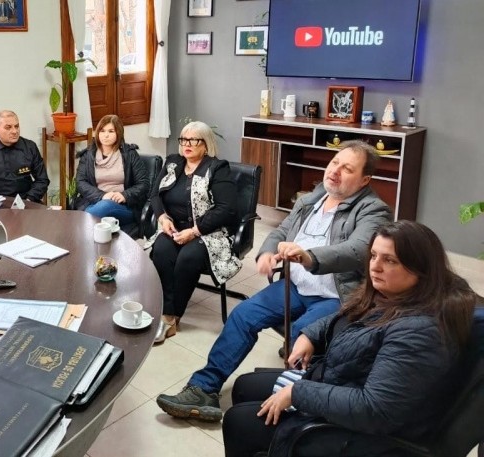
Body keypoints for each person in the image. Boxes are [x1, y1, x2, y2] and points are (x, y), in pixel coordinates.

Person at [157, 140, 393, 420]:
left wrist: (308, 255)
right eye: (334, 163)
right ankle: (203, 388)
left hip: (336, 296)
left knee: (304, 333)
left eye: (347, 169)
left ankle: (296, 406)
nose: (335, 171)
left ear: (365, 179)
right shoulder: (312, 199)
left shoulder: (372, 209)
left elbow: (358, 249)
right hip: (295, 286)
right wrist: (267, 252)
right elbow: (280, 231)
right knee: (243, 315)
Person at [221, 221, 478, 457]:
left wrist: (298, 392)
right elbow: (349, 318)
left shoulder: (421, 331)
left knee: (238, 422)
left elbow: (375, 410)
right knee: (244, 386)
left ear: (420, 269)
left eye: (390, 260)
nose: (375, 266)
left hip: (367, 434)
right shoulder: (394, 293)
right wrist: (311, 335)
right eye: (374, 255)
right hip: (343, 380)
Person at [148, 121, 241, 344]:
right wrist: (162, 217)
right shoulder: (173, 163)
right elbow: (154, 195)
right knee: (160, 251)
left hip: (208, 232)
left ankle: (171, 316)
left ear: (206, 145)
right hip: (174, 227)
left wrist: (195, 231)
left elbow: (226, 208)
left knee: (187, 258)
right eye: (183, 140)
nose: (186, 145)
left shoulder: (217, 168)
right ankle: (166, 309)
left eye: (193, 140)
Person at [74, 114, 149, 229]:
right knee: (102, 209)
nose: (106, 135)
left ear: (118, 133)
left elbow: (143, 183)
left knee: (106, 206)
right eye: (102, 131)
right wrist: (102, 195)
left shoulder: (130, 154)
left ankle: (79, 226)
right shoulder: (89, 155)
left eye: (111, 131)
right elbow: (80, 182)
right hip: (93, 202)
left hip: (123, 206)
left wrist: (125, 195)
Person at [0, 110, 50, 202]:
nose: (14, 131)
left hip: (27, 201)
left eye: (16, 126)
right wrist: (1, 203)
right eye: (8, 127)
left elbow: (42, 180)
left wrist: (29, 199)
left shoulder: (30, 147)